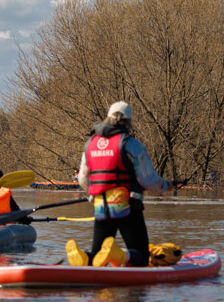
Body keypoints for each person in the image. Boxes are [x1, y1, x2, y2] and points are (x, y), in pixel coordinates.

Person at [71, 101, 175, 267]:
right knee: (141, 256)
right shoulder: (130, 144)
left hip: (100, 206)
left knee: (98, 258)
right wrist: (167, 186)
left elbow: (83, 180)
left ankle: (84, 257)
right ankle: (119, 254)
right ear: (128, 121)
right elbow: (149, 181)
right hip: (127, 206)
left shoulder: (90, 144)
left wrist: (100, 190)